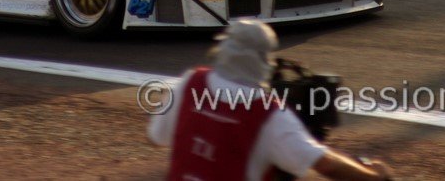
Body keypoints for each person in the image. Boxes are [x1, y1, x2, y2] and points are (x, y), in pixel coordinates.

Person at [148, 20, 393, 180]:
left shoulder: (190, 82)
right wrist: (373, 176)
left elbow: (156, 137)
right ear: (265, 59)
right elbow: (325, 165)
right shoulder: (269, 114)